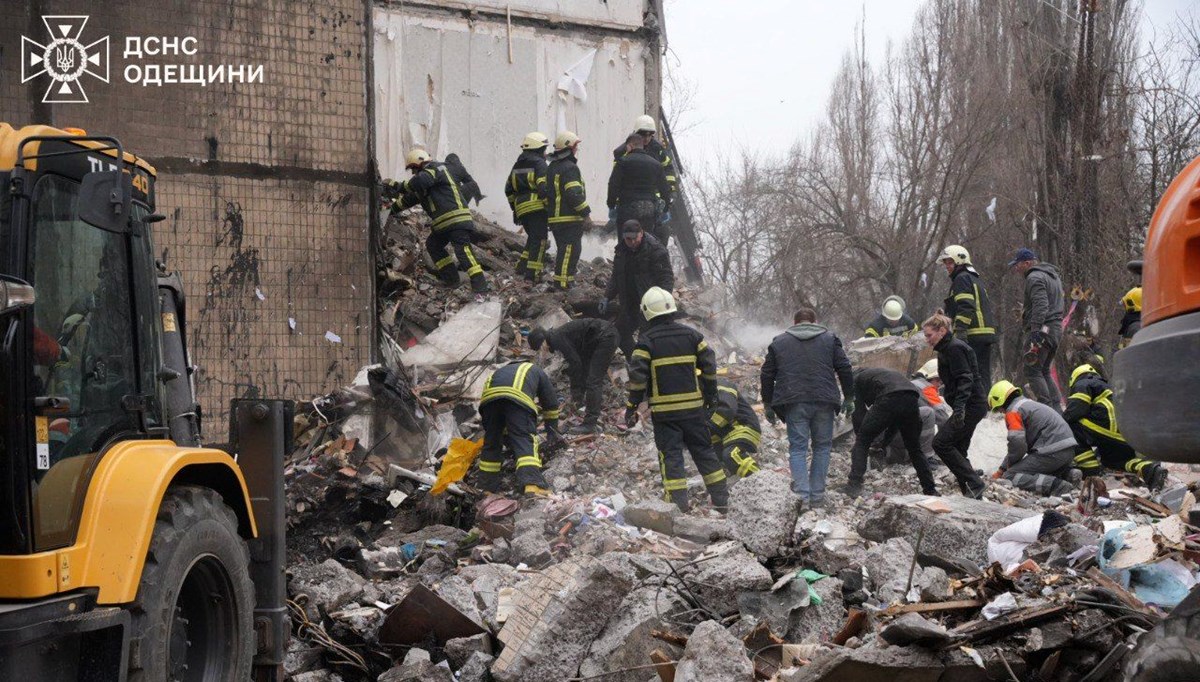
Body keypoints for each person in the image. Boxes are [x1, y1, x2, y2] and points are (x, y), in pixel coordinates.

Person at [625, 287, 728, 511]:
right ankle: (723, 503)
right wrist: (711, 395)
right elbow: (709, 366)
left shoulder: (645, 342)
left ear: (647, 313)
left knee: (671, 458)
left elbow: (637, 379)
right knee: (705, 453)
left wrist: (631, 406)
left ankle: (678, 508)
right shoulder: (693, 336)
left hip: (665, 415)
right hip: (694, 411)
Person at [761, 308, 854, 505]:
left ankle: (802, 499)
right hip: (824, 400)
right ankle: (817, 498)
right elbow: (844, 367)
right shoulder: (829, 338)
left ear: (795, 323)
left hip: (794, 401)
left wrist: (768, 404)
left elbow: (767, 374)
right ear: (814, 322)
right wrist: (849, 397)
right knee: (822, 447)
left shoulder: (779, 341)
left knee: (798, 449)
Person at [387, 149, 489, 294]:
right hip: (444, 224)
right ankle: (452, 280)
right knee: (433, 245)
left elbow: (418, 182)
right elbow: (408, 200)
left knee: (463, 252)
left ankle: (481, 288)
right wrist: (388, 211)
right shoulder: (425, 182)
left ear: (420, 163)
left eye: (414, 169)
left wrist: (396, 186)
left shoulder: (435, 169)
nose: (413, 173)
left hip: (457, 219)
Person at [1064, 364, 1168, 490]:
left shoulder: (1084, 383)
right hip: (1126, 434)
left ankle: (1090, 472)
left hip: (1108, 427)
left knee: (1069, 426)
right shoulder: (1111, 386)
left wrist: (1060, 421)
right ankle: (1150, 470)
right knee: (1114, 461)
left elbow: (1076, 410)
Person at [843, 367, 939, 498]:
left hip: (889, 396)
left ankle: (853, 485)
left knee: (861, 441)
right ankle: (930, 490)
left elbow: (858, 415)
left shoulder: (855, 381)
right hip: (910, 396)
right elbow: (894, 422)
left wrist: (865, 441)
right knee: (915, 448)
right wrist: (881, 444)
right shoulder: (880, 374)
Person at [921, 314, 988, 498]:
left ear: (942, 331)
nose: (927, 340)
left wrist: (959, 410)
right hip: (971, 404)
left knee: (941, 443)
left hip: (971, 405)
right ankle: (972, 493)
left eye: (929, 335)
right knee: (958, 449)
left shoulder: (954, 348)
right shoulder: (947, 349)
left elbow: (965, 379)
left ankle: (975, 484)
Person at [476, 360, 564, 496]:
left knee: (491, 442)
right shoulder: (536, 370)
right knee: (524, 438)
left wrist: (506, 437)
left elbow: (494, 418)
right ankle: (532, 484)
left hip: (488, 403)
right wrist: (552, 431)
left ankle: (486, 488)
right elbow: (551, 404)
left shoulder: (499, 373)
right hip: (516, 399)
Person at [988, 380, 1079, 496]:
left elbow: (1018, 444)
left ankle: (1056, 486)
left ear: (1000, 401)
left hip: (1052, 451)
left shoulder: (1013, 411)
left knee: (1011, 475)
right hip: (1068, 450)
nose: (1001, 412)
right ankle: (1069, 474)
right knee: (1035, 470)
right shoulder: (1028, 404)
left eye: (998, 409)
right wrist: (1002, 468)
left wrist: (1006, 469)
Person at [528, 318, 618, 434]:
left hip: (605, 337)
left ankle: (590, 424)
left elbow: (575, 363)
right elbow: (579, 364)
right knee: (587, 371)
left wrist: (575, 392)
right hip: (601, 336)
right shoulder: (557, 336)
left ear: (542, 343)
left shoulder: (556, 339)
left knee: (594, 381)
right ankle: (584, 405)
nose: (542, 353)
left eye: (539, 349)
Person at [603, 220, 674, 359]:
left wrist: (660, 302)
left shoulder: (656, 250)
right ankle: (635, 360)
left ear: (641, 233)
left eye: (635, 238)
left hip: (651, 305)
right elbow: (616, 276)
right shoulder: (621, 251)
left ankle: (645, 368)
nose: (632, 242)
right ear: (624, 237)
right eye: (628, 239)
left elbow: (666, 278)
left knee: (645, 339)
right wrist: (607, 296)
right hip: (630, 303)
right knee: (619, 333)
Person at [1009, 248, 1065, 410]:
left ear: (1027, 263)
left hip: (1042, 330)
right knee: (1044, 371)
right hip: (1054, 330)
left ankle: (1046, 410)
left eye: (1017, 264)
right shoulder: (1053, 276)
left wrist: (1035, 332)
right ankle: (1057, 411)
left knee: (1033, 371)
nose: (1016, 268)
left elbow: (1041, 305)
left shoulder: (1034, 277)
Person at [938, 245, 996, 387]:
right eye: (945, 263)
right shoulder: (973, 278)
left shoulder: (961, 279)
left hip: (973, 334)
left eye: (950, 262)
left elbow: (966, 306)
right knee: (982, 374)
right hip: (984, 334)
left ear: (959, 261)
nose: (947, 267)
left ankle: (977, 406)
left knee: (970, 374)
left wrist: (961, 332)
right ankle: (985, 406)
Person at [882, 359, 948, 469]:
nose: (939, 385)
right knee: (928, 414)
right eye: (939, 381)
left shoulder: (911, 384)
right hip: (895, 439)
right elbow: (943, 419)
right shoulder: (926, 388)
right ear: (932, 377)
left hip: (887, 438)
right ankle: (926, 458)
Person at [546, 131, 591, 289]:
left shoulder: (552, 167)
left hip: (557, 220)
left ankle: (563, 282)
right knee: (569, 253)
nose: (577, 150)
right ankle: (563, 285)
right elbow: (574, 194)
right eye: (576, 146)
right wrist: (586, 213)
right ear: (570, 148)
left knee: (564, 252)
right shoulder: (570, 168)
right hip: (568, 219)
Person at [608, 133, 671, 245]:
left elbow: (613, 185)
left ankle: (626, 261)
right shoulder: (656, 164)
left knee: (625, 244)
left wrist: (611, 205)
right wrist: (665, 208)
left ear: (630, 145)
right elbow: (665, 189)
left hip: (627, 210)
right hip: (648, 211)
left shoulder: (623, 162)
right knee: (645, 244)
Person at [506, 132, 551, 282]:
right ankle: (533, 274)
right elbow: (543, 187)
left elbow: (508, 189)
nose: (545, 152)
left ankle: (522, 266)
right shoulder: (539, 163)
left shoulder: (517, 165)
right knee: (540, 240)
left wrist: (515, 210)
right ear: (537, 148)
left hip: (521, 208)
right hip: (536, 207)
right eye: (543, 149)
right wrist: (549, 208)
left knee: (533, 238)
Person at [709, 378, 762, 479]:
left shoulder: (721, 384)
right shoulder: (699, 394)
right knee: (717, 464)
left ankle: (762, 481)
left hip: (743, 427)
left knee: (731, 455)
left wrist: (706, 429)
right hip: (723, 435)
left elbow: (727, 410)